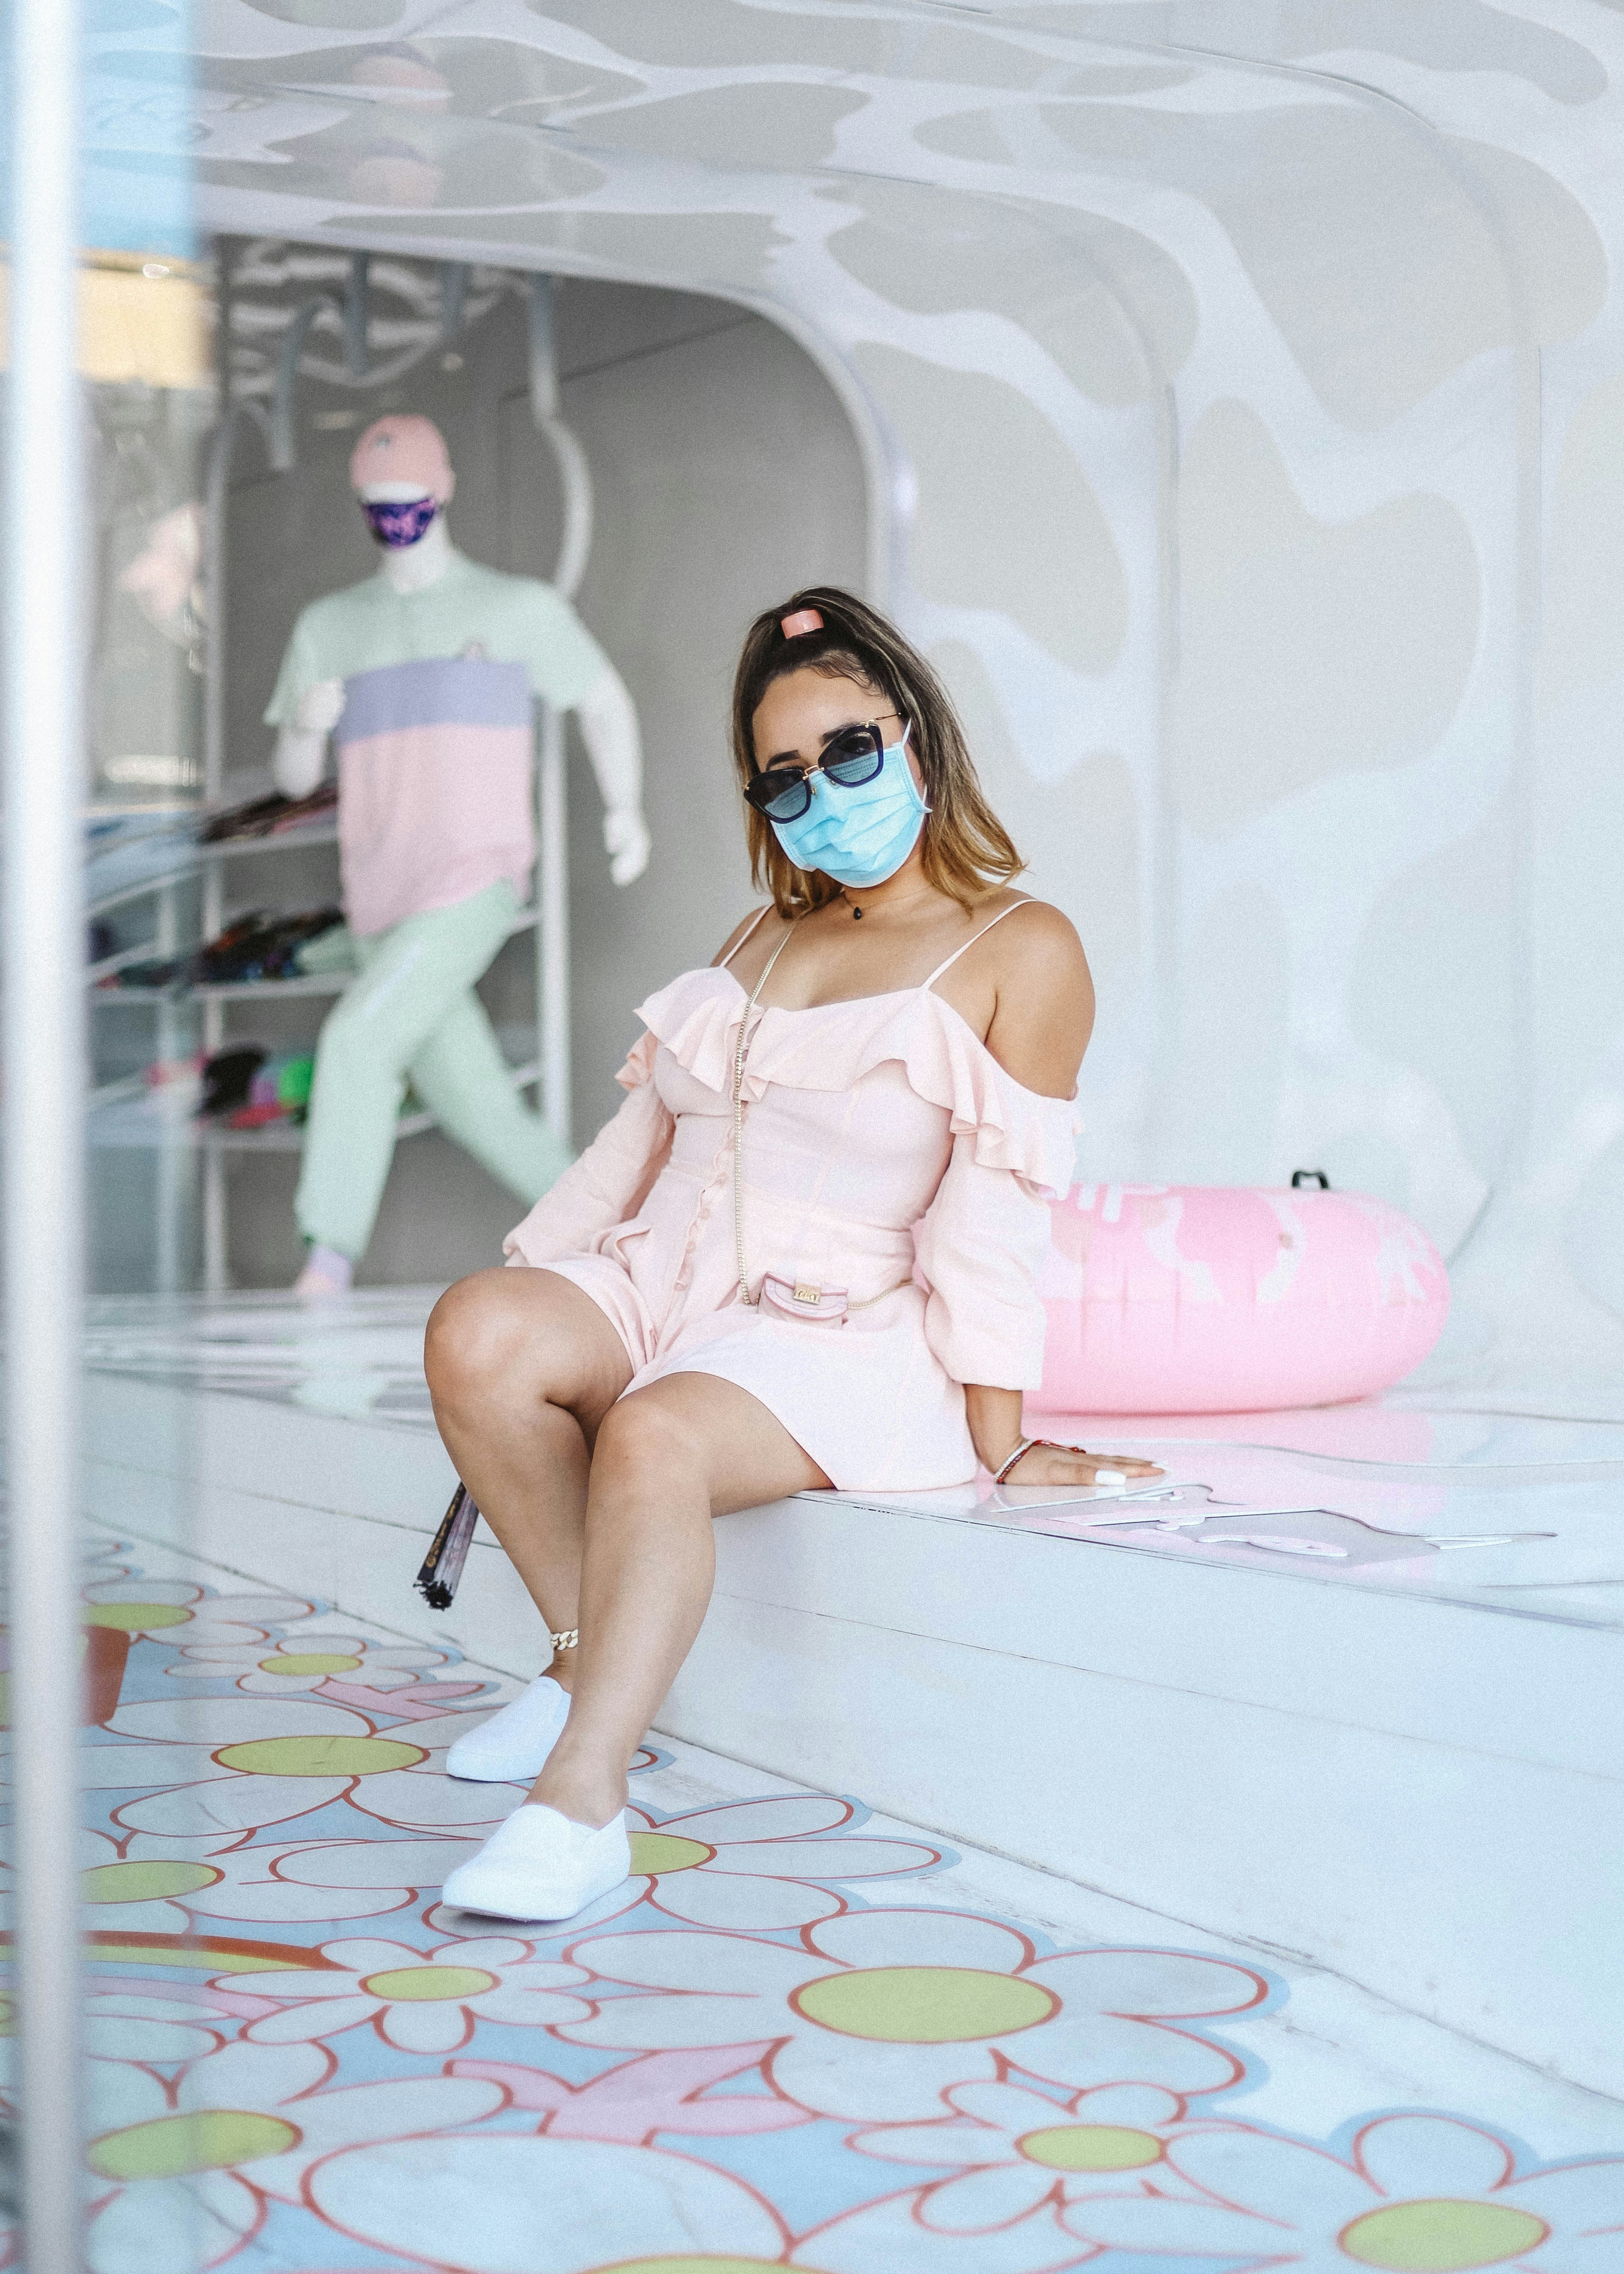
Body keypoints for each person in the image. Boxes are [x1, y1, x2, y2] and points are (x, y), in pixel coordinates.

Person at [425, 587, 1161, 1922]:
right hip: (665, 1282)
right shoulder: (761, 934)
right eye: (782, 777)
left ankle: (583, 1798)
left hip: (832, 1330)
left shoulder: (1021, 948)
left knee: (652, 1435)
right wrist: (548, 1274)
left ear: (917, 743)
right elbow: (639, 1143)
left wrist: (998, 1435)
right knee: (477, 1329)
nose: (821, 792)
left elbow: (993, 1209)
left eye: (849, 752)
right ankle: (583, 1661)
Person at [263, 413, 651, 1298]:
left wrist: (626, 809)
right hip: (378, 891)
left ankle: (326, 1258)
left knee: (357, 1040)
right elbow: (292, 781)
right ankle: (618, 1236)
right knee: (480, 1107)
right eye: (377, 503)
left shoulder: (515, 609)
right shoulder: (331, 624)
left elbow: (601, 698)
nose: (394, 517)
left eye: (407, 500)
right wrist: (304, 724)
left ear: (441, 493)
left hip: (474, 877)